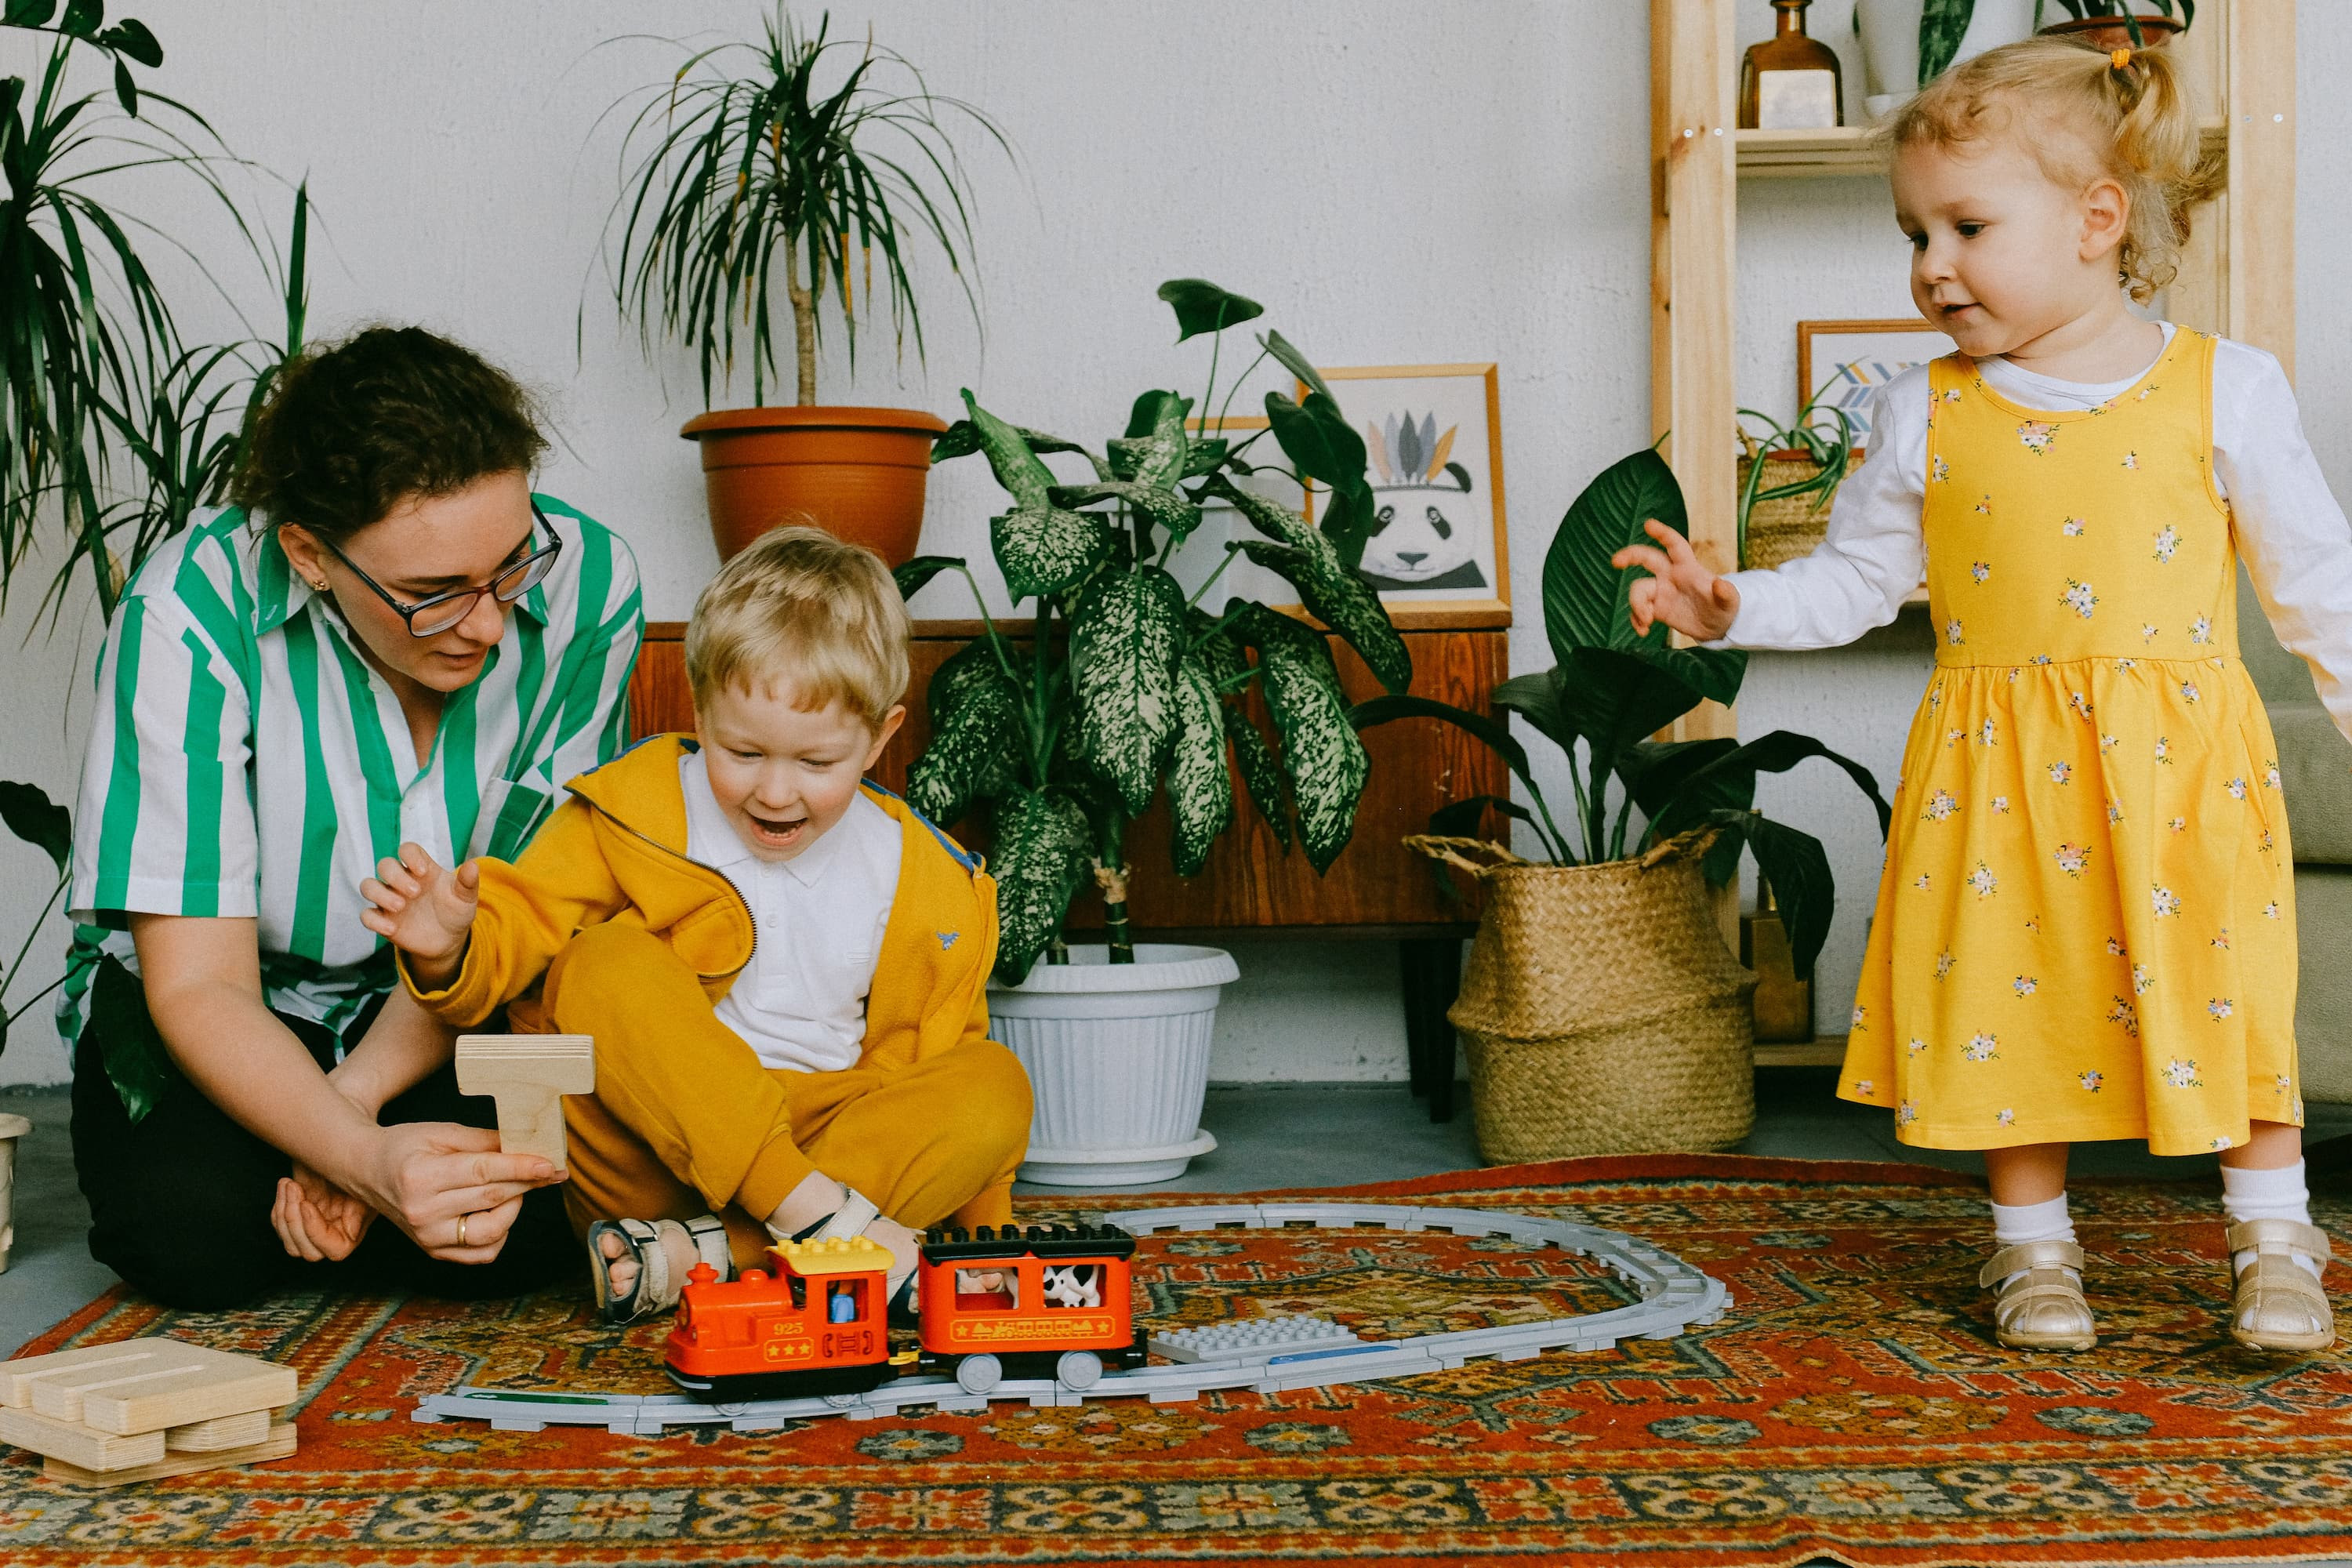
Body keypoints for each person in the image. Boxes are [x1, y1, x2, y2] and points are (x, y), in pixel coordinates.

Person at [1614, 39, 2342, 1353]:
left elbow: (2318, 588)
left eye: (1966, 227)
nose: (1930, 266)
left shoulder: (2225, 387)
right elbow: (1854, 583)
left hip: (2181, 772)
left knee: (2221, 985)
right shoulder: (1924, 411)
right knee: (2014, 993)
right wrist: (1735, 609)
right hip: (1998, 770)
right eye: (1915, 235)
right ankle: (2033, 1246)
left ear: (2097, 220)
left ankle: (2275, 1236)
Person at [64, 326, 643, 1309]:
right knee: (191, 1239)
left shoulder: (591, 585)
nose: (489, 622)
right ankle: (352, 1198)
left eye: (511, 565)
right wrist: (366, 1159)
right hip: (235, 1006)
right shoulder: (185, 613)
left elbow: (522, 914)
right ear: (311, 556)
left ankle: (344, 1196)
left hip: (461, 999)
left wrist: (352, 1111)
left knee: (531, 1227)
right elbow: (201, 985)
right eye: (431, 594)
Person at [358, 525, 1031, 1324]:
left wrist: (986, 1245)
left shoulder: (930, 879)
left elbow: (944, 1057)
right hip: (650, 1151)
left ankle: (711, 1253)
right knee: (603, 961)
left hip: (835, 1146)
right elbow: (523, 926)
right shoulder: (635, 806)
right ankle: (812, 1222)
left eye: (815, 763)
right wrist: (450, 949)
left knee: (996, 1081)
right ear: (701, 710)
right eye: (743, 752)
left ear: (879, 738)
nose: (775, 792)